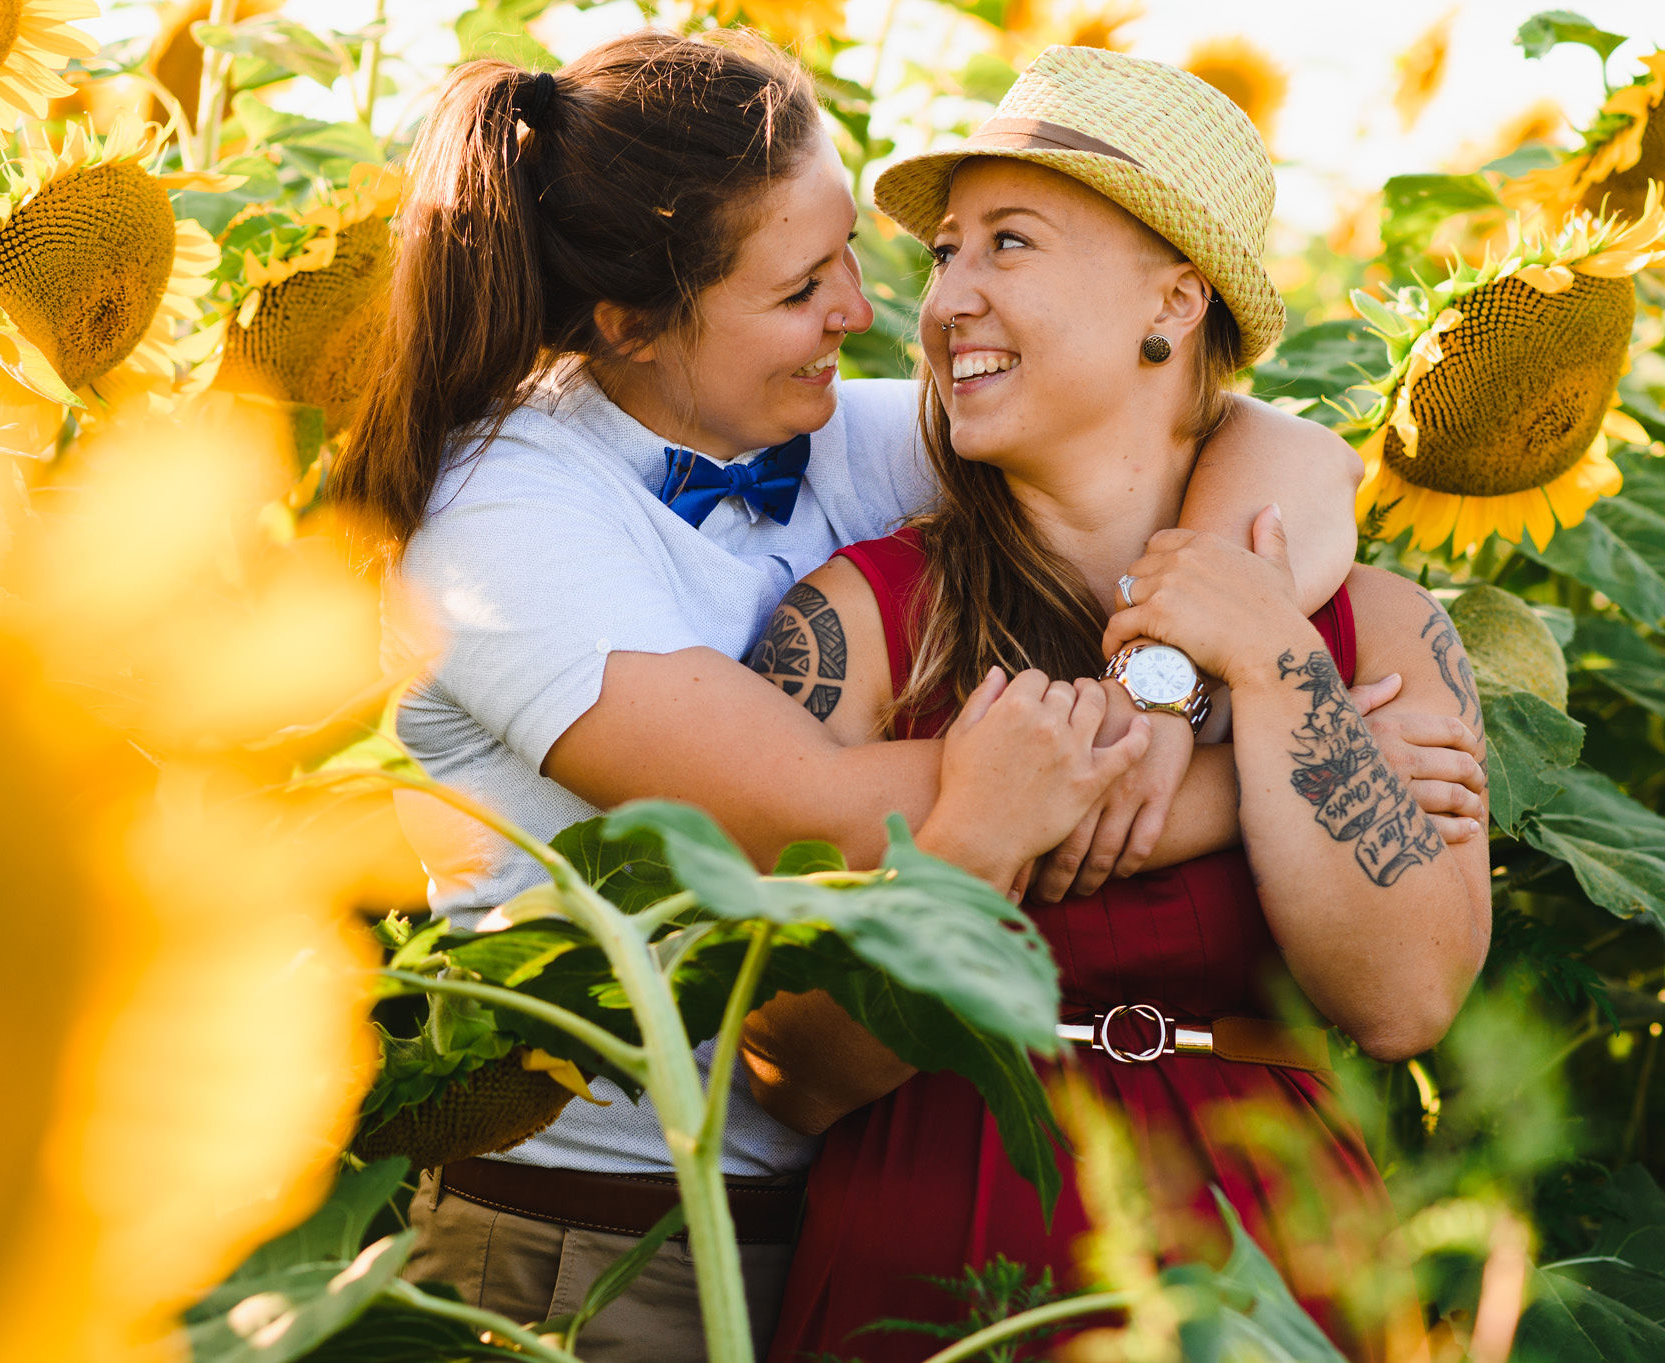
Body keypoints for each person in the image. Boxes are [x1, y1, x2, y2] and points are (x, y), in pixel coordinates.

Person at [334, 29, 1482, 1363]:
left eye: (886, 259)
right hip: (608, 1231)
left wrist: (1200, 667)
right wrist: (1286, 766)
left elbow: (1261, 442)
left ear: (1174, 299)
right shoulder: (505, 519)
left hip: (828, 1211)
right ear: (629, 323)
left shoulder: (834, 426)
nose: (880, 312)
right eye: (807, 283)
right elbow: (805, 825)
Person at [746, 46, 1493, 1362]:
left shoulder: (1366, 627)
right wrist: (980, 847)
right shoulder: (856, 620)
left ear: (1175, 297)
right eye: (947, 255)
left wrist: (1269, 669)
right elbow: (783, 1070)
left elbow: (1404, 1000)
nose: (945, 301)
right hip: (933, 1274)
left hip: (1271, 1274)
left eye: (1008, 245)